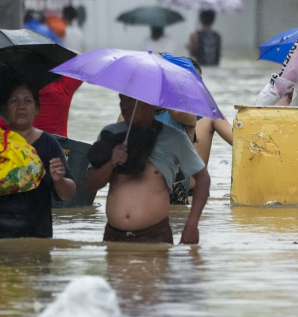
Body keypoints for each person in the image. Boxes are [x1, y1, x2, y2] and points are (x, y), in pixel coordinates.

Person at [87, 94, 210, 244]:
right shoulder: (111, 134)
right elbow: (90, 184)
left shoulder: (174, 138)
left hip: (155, 235)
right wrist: (111, 162)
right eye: (122, 99)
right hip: (113, 236)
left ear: (149, 104)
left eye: (132, 101)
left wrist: (192, 224)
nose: (124, 105)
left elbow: (203, 179)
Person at [0, 84, 78, 239]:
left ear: (37, 110)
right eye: (14, 101)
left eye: (28, 101)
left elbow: (68, 194)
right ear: (4, 109)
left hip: (36, 236)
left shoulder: (49, 143)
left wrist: (59, 180)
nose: (21, 106)